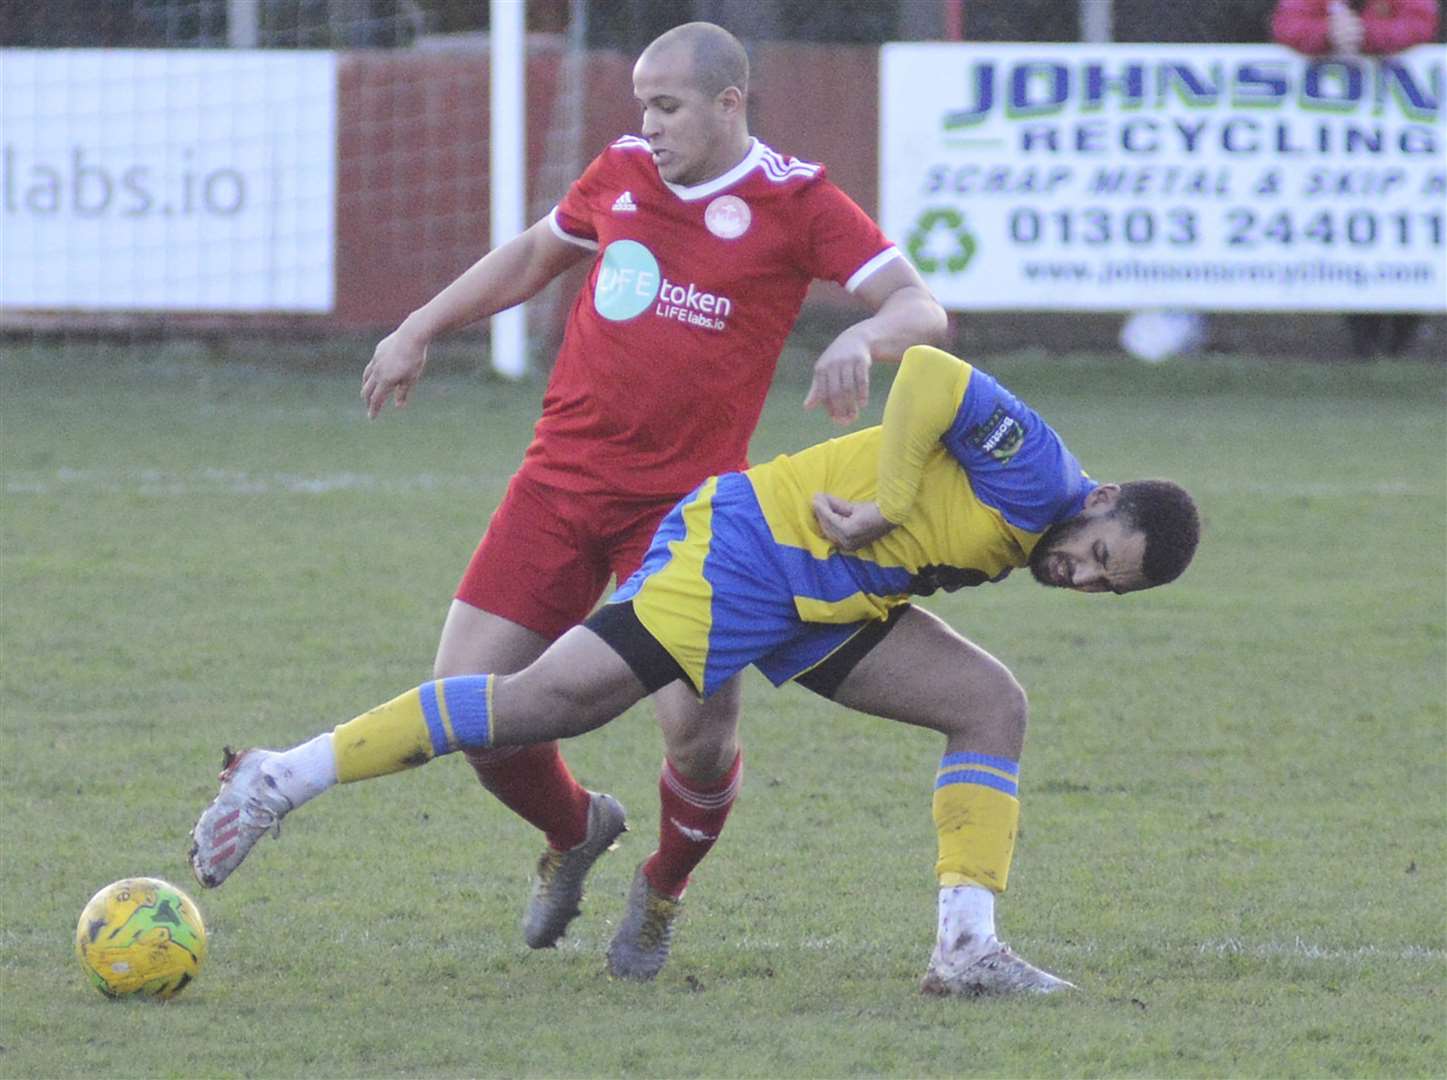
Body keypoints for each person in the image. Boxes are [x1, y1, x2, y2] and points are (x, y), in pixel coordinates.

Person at [190, 344, 1201, 996]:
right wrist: (890, 498)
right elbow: (932, 370)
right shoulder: (1040, 469)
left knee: (988, 705)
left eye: (1106, 590)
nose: (1080, 579)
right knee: (550, 703)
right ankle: (282, 776)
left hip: (829, 601)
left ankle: (966, 948)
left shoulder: (1040, 532)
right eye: (1099, 556)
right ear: (1101, 498)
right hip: (749, 550)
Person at [355, 22, 947, 976]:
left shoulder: (796, 201)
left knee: (698, 737)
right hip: (556, 486)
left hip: (689, 516)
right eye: (641, 104)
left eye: (667, 106)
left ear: (728, 103)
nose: (649, 124)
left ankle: (663, 889)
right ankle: (578, 827)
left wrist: (864, 338)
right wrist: (420, 326)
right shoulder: (622, 170)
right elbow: (534, 254)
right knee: (471, 713)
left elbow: (920, 306)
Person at [1271, 0, 1440, 357]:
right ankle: (1367, 347)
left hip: (1406, 140)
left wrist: (1365, 35)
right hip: (1339, 145)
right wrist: (1327, 35)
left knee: (1409, 235)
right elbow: (1287, 24)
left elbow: (1421, 24)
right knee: (1349, 234)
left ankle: (1397, 342)